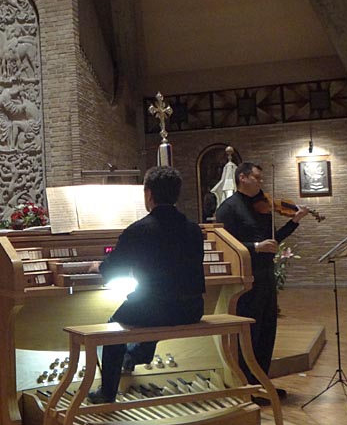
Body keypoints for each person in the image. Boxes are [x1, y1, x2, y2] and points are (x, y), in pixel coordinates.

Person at [87, 166, 206, 404]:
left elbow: (113, 270)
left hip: (154, 309)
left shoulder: (139, 229)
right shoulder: (193, 229)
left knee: (113, 328)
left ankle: (107, 393)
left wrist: (98, 267)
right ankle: (133, 357)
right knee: (150, 312)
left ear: (149, 194)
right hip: (193, 308)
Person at [215, 162, 308, 401]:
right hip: (247, 278)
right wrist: (255, 247)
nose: (261, 182)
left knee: (268, 329)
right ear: (242, 178)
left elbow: (274, 241)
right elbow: (226, 245)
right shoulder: (228, 208)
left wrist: (294, 222)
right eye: (257, 177)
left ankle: (262, 382)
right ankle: (247, 386)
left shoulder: (263, 207)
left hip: (266, 275)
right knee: (251, 331)